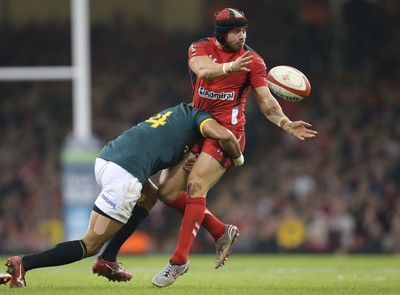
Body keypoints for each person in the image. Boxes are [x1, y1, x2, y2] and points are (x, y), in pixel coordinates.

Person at [150, 7, 317, 288]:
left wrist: (286, 124)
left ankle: (178, 261)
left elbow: (264, 100)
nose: (242, 36)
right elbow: (203, 69)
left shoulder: (253, 62)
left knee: (195, 185)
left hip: (228, 133)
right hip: (198, 127)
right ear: (221, 34)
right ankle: (220, 230)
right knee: (166, 192)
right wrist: (228, 67)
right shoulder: (199, 47)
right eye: (236, 31)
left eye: (244, 31)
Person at [4, 103, 244, 288]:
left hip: (106, 159)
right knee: (89, 244)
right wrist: (237, 157)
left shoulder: (178, 114)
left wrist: (186, 157)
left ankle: (108, 258)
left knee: (149, 195)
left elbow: (163, 151)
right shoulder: (201, 120)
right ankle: (24, 264)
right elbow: (224, 136)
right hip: (124, 175)